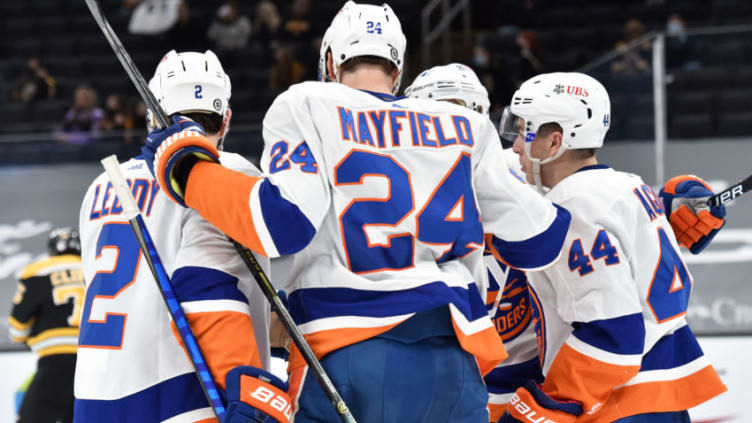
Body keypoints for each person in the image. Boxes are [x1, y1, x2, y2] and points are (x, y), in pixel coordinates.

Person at [142, 2, 572, 421]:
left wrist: (189, 169)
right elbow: (540, 241)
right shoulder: (467, 126)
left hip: (344, 353)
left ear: (330, 61)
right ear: (399, 69)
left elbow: (282, 224)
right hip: (454, 359)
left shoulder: (306, 103)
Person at [497, 72, 727, 423]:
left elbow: (613, 332)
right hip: (661, 397)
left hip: (615, 401)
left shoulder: (571, 208)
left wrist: (550, 406)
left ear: (555, 142)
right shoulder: (630, 186)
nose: (515, 146)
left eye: (526, 130)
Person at [74, 50, 286, 423]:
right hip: (185, 399)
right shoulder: (226, 173)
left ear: (151, 116)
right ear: (227, 121)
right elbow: (209, 295)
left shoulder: (101, 185)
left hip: (94, 398)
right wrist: (254, 398)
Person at [405, 63, 542, 422]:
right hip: (450, 368)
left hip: (518, 373)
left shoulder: (521, 166)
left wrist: (667, 201)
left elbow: (590, 197)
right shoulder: (515, 168)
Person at [9, 227, 84, 423]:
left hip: (54, 362)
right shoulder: (95, 269)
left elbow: (17, 328)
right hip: (93, 362)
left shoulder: (38, 270)